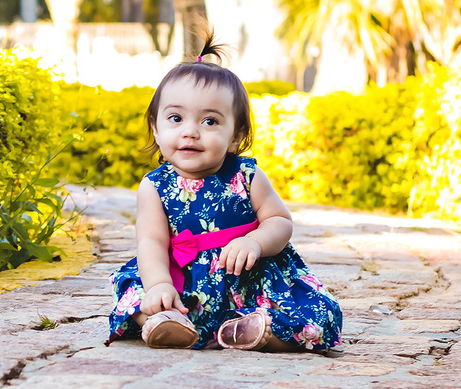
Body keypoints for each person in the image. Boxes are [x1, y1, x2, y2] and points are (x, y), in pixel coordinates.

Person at [107, 31, 342, 352]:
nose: (190, 131)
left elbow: (279, 221)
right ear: (156, 128)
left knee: (314, 309)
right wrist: (159, 285)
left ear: (236, 135)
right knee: (135, 291)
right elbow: (151, 241)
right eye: (176, 118)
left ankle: (257, 330)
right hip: (182, 281)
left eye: (210, 122)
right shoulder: (154, 186)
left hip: (248, 281)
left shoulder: (247, 176)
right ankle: (163, 321)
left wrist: (254, 241)